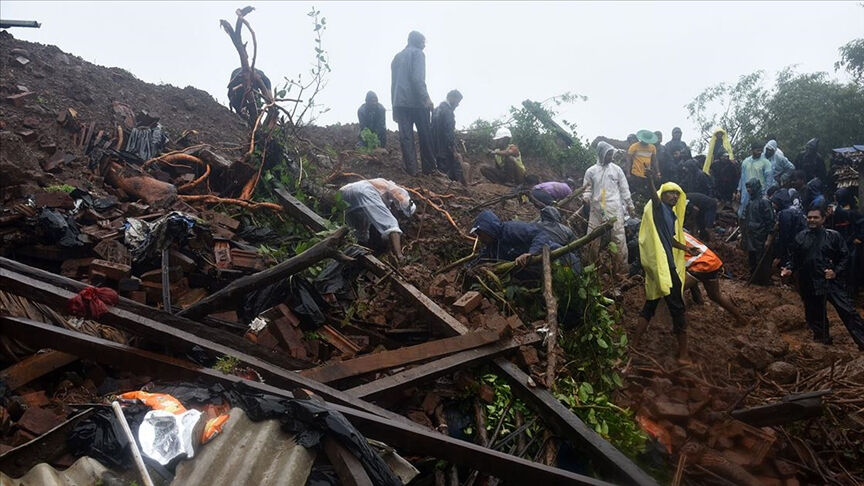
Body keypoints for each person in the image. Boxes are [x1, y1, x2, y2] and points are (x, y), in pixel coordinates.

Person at [635, 172, 699, 363]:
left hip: (662, 266)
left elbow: (669, 240)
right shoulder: (659, 207)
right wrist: (650, 180)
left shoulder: (670, 215)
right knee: (678, 308)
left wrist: (686, 248)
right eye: (670, 193)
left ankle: (634, 344)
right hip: (666, 267)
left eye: (677, 194)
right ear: (662, 195)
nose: (674, 196)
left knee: (651, 303)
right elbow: (654, 197)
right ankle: (683, 354)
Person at [781, 208, 864, 349]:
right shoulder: (800, 237)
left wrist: (835, 271)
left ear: (823, 219)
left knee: (847, 311)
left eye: (815, 217)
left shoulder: (833, 236)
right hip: (809, 281)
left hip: (830, 281)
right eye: (809, 217)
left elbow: (845, 257)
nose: (812, 220)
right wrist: (789, 268)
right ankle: (822, 341)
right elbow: (794, 258)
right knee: (815, 314)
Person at [583, 142, 634, 273]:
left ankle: (621, 271)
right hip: (597, 210)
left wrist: (629, 204)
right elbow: (587, 188)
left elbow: (624, 188)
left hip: (614, 209)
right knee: (592, 239)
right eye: (608, 154)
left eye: (612, 154)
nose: (611, 157)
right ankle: (591, 269)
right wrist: (586, 197)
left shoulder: (617, 170)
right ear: (601, 154)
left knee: (618, 239)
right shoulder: (591, 171)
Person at [391, 31, 435, 175]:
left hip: (400, 103)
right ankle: (430, 171)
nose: (424, 45)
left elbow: (393, 85)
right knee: (425, 135)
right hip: (416, 102)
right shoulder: (418, 54)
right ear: (417, 41)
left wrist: (394, 107)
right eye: (423, 42)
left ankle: (413, 172)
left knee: (406, 138)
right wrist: (426, 98)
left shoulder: (396, 57)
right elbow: (417, 79)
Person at [340, 178, 416, 261]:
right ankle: (399, 257)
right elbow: (390, 223)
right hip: (364, 190)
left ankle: (359, 257)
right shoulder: (397, 193)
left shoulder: (385, 184)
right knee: (391, 223)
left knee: (360, 230)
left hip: (344, 192)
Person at [682, 231, 748, 326]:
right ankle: (740, 318)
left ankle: (679, 322)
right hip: (711, 262)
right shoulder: (679, 232)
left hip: (702, 265)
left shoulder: (668, 236)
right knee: (715, 296)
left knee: (675, 290)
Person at [827, 187, 864, 295]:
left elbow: (861, 225)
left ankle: (852, 291)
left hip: (851, 244)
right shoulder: (837, 211)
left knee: (852, 267)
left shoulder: (853, 213)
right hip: (839, 242)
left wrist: (859, 238)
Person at [741, 178, 775, 285]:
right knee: (752, 258)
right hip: (751, 236)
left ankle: (764, 282)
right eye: (747, 188)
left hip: (761, 236)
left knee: (762, 260)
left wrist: (769, 239)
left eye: (750, 187)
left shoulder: (764, 202)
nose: (748, 190)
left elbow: (770, 221)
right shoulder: (751, 202)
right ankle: (754, 279)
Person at [431, 89, 466, 184]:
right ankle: (460, 188)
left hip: (435, 149)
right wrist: (454, 150)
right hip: (445, 150)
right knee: (453, 168)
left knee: (440, 170)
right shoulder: (448, 112)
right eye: (457, 101)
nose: (457, 104)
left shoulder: (436, 110)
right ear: (451, 98)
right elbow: (449, 133)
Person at [771, 188, 807, 269]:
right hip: (802, 242)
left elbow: (784, 237)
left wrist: (779, 256)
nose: (773, 205)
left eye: (774, 202)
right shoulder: (796, 209)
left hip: (794, 244)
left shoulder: (785, 213)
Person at [736, 142, 774, 217]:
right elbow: (742, 177)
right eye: (757, 150)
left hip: (760, 193)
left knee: (757, 214)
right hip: (746, 192)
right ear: (752, 150)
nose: (759, 152)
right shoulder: (745, 162)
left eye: (760, 150)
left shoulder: (766, 163)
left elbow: (769, 180)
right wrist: (738, 190)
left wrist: (767, 193)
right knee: (743, 213)